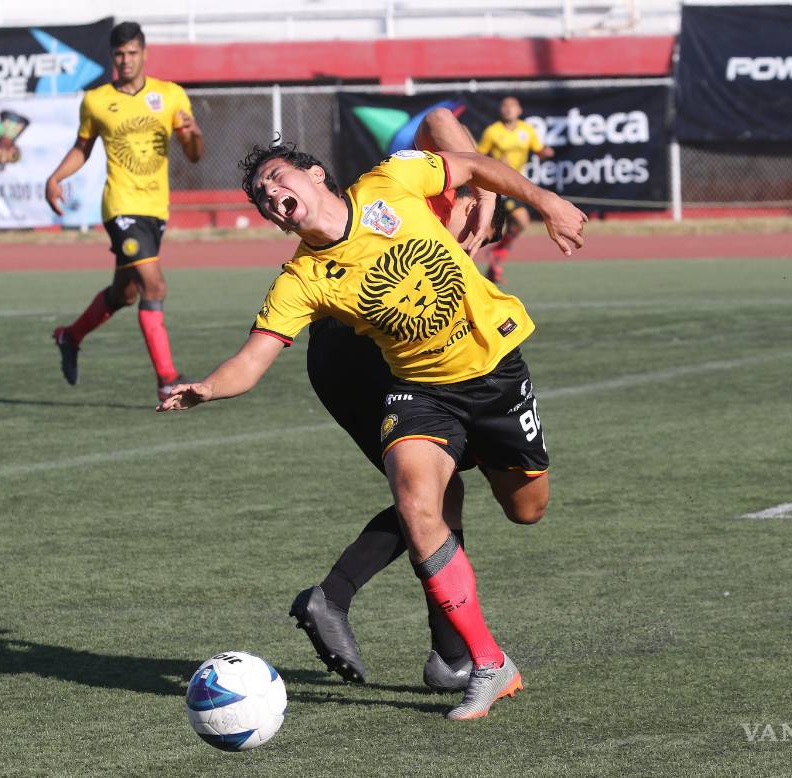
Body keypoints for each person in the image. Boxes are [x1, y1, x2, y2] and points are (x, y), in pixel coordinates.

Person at [158, 137, 585, 720]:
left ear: (314, 174)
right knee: (417, 503)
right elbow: (252, 359)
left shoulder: (390, 183)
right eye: (261, 196)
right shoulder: (301, 279)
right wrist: (207, 386)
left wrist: (545, 200)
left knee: (527, 509)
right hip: (420, 393)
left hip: (495, 371)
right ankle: (488, 663)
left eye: (278, 179)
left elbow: (475, 164)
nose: (270, 194)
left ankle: (442, 643)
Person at [289, 108, 506, 694]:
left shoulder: (427, 204)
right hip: (357, 350)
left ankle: (448, 656)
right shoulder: (407, 185)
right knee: (431, 492)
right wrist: (485, 190)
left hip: (358, 352)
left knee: (440, 491)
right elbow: (438, 117)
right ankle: (336, 600)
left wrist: (481, 199)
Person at [45, 21, 204, 401]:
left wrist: (193, 133)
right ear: (112, 57)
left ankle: (70, 336)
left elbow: (195, 155)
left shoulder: (170, 95)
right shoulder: (97, 100)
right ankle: (167, 380)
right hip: (120, 207)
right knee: (154, 285)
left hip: (155, 209)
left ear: (144, 54)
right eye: (119, 54)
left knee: (126, 293)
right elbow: (82, 147)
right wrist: (55, 178)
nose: (126, 60)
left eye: (132, 53)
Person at [476, 96, 554, 284]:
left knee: (515, 226)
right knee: (520, 221)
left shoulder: (526, 130)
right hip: (499, 184)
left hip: (518, 183)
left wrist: (545, 152)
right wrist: (495, 163)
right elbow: (478, 156)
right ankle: (492, 256)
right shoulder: (492, 131)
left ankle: (495, 261)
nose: (508, 109)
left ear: (519, 110)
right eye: (505, 106)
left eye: (512, 106)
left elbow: (538, 149)